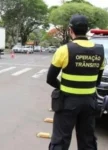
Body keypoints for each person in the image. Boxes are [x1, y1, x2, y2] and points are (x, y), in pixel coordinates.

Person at [46, 14, 105, 150]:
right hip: (90, 103)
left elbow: (50, 78)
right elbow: (97, 80)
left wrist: (65, 87)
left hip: (67, 102)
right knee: (88, 141)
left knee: (60, 140)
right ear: (87, 30)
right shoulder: (100, 51)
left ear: (70, 30)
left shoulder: (64, 50)